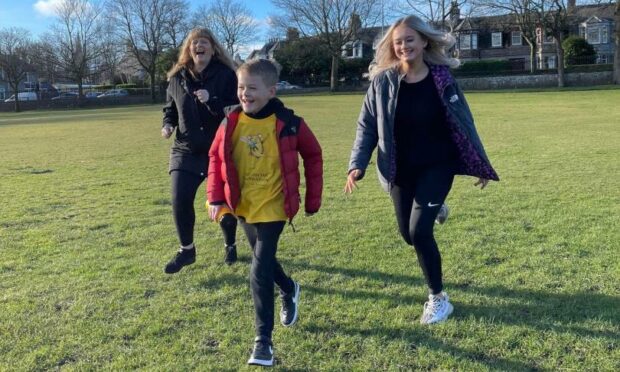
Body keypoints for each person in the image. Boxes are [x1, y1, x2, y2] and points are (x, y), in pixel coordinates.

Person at [344, 15, 499, 325]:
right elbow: (367, 127)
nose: (403, 46)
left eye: (409, 40)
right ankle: (434, 207)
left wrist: (480, 163)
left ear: (424, 41)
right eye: (398, 42)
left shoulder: (442, 79)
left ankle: (438, 298)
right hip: (399, 168)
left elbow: (464, 121)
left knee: (420, 231)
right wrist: (356, 164)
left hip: (437, 165)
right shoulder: (383, 82)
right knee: (407, 234)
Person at [207, 59, 323, 366]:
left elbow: (313, 155)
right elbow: (215, 159)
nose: (244, 93)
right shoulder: (229, 121)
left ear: (271, 91)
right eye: (241, 87)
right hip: (243, 207)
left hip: (274, 207)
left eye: (252, 88)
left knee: (258, 269)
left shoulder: (290, 122)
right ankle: (289, 288)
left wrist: (313, 198)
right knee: (266, 261)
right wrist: (216, 198)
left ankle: (263, 342)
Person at [161, 28, 240, 274]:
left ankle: (230, 243)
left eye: (204, 42)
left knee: (225, 209)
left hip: (218, 150)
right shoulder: (176, 78)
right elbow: (170, 108)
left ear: (213, 48)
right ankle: (187, 250)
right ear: (189, 49)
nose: (199, 46)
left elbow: (237, 108)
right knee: (179, 198)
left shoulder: (227, 75)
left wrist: (212, 100)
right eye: (195, 43)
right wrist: (168, 124)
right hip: (185, 150)